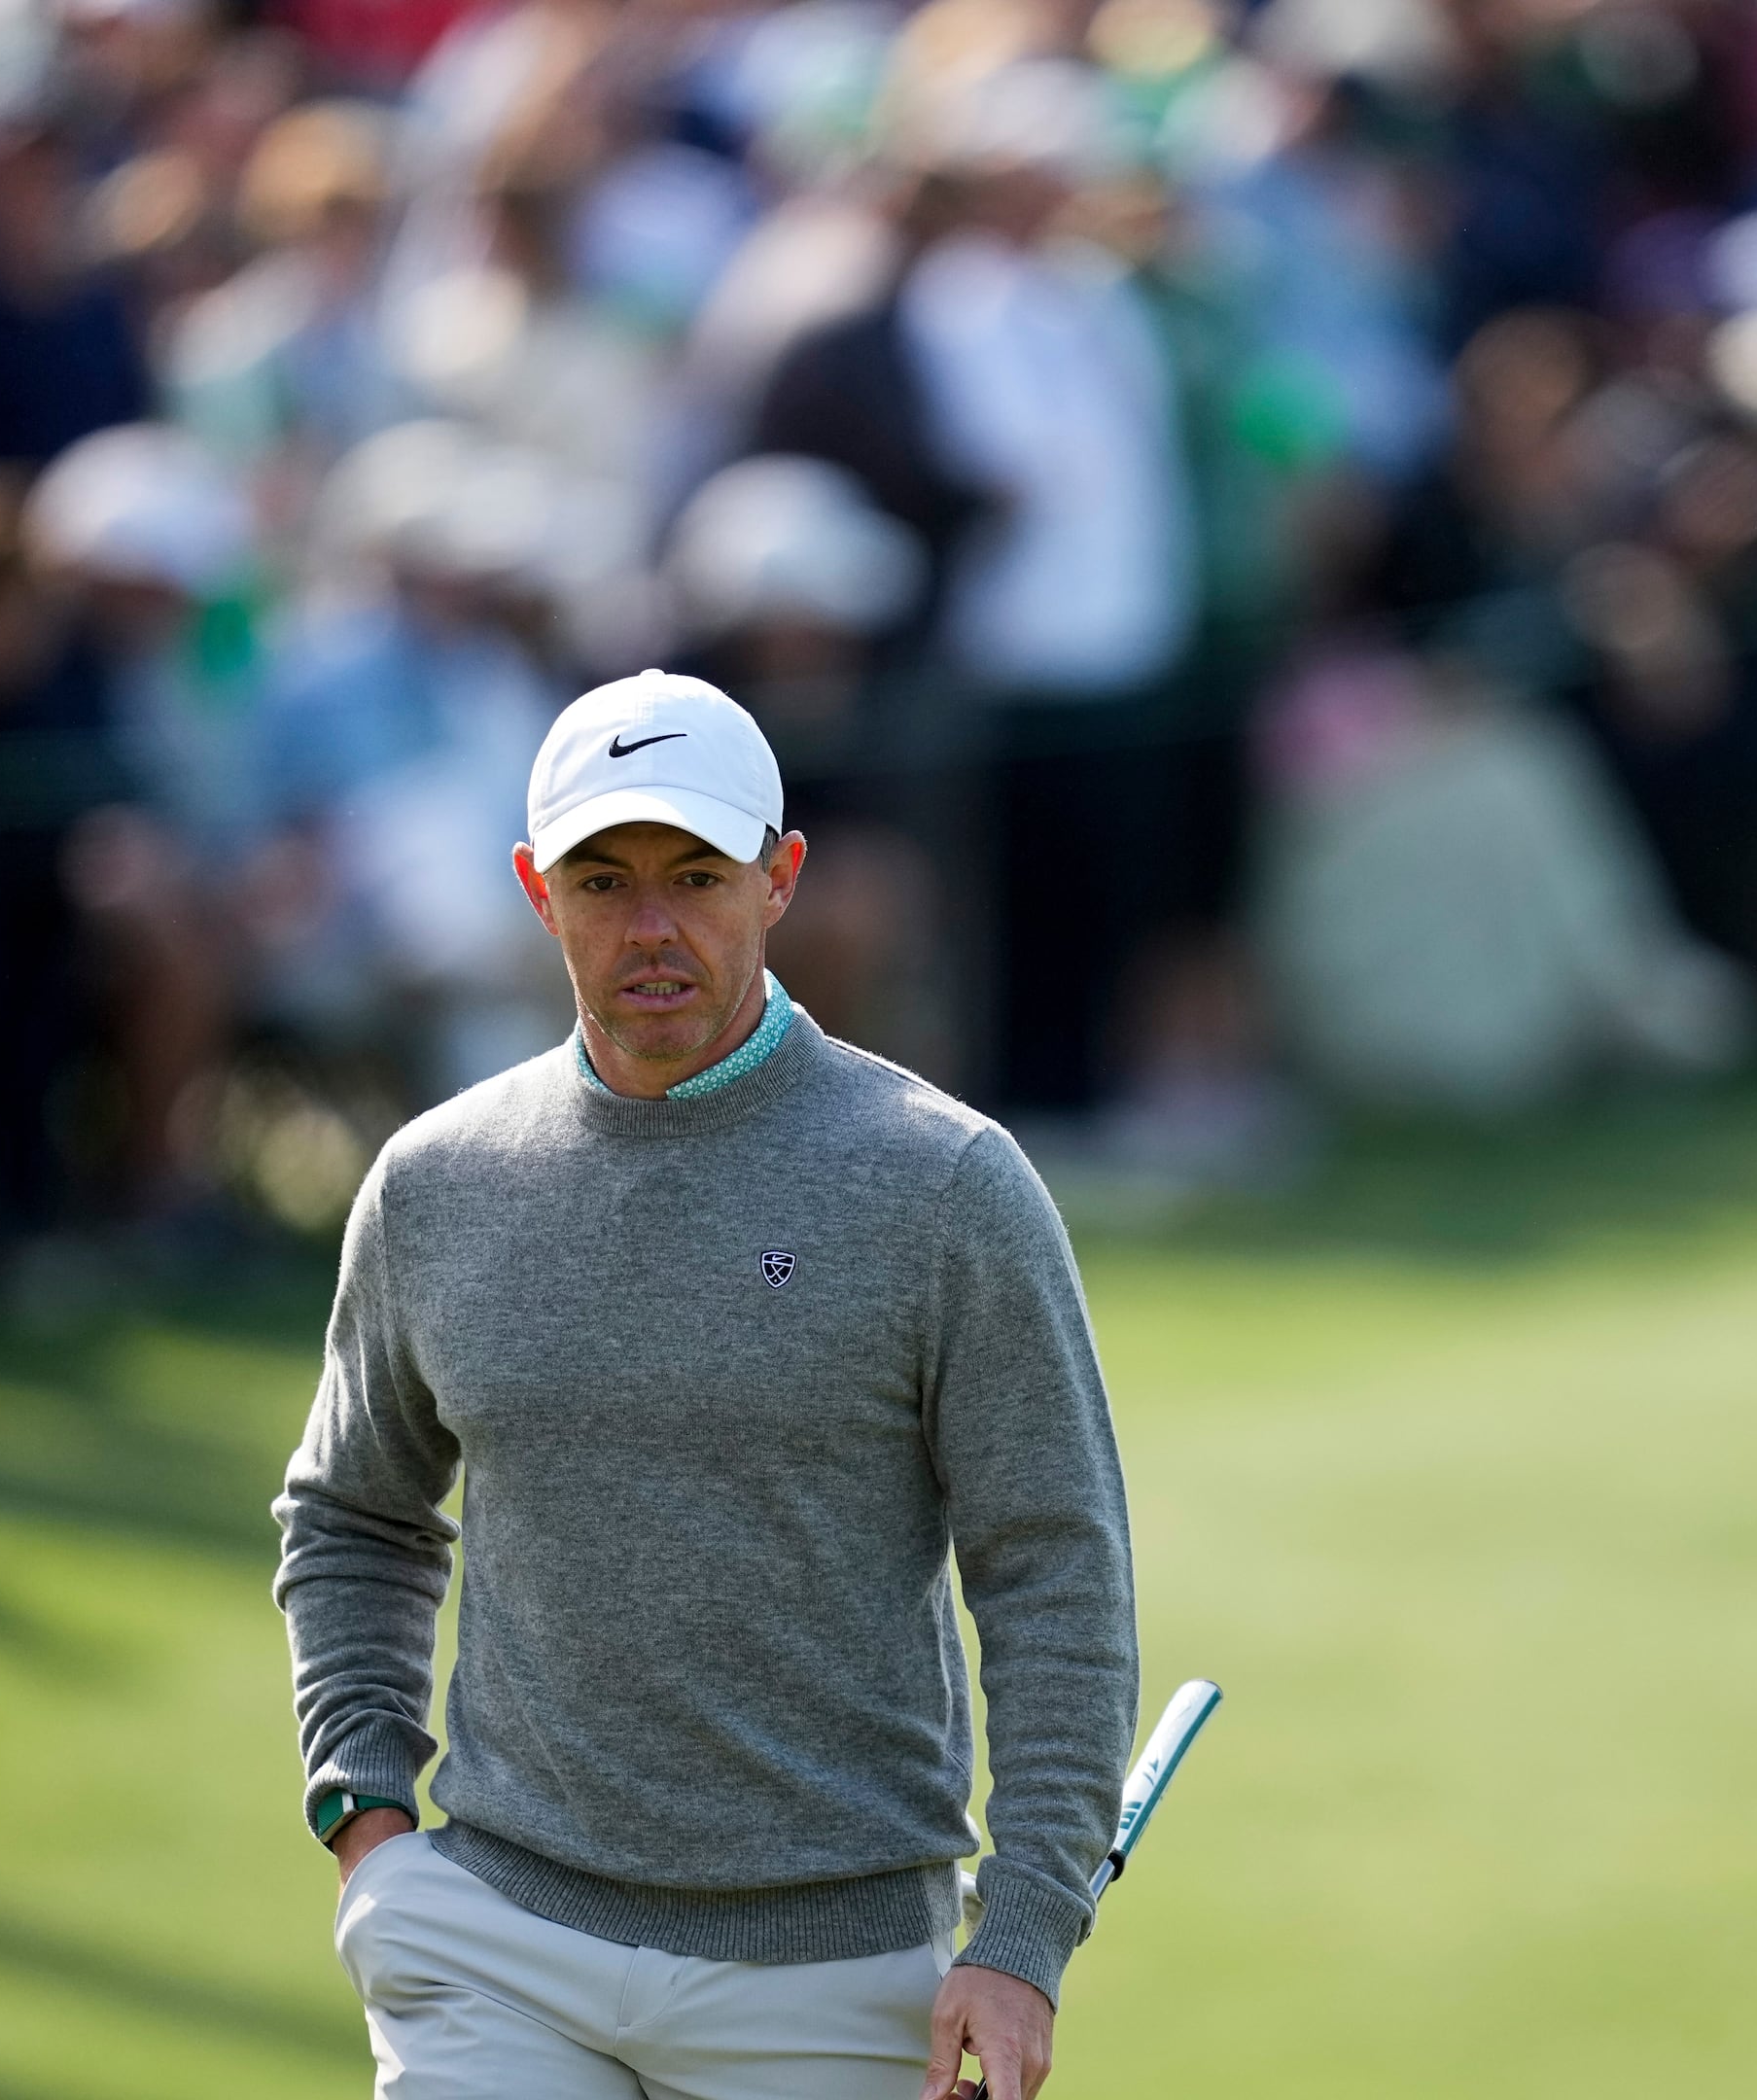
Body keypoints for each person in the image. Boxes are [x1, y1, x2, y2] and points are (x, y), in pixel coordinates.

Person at [273, 670, 1138, 2100]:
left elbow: (1053, 1567)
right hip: (497, 1937)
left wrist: (1026, 1931)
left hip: (831, 1976)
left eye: (697, 875)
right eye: (603, 880)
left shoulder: (946, 1184)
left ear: (781, 879)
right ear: (535, 892)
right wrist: (367, 1808)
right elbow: (352, 1513)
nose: (652, 926)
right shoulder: (433, 1185)